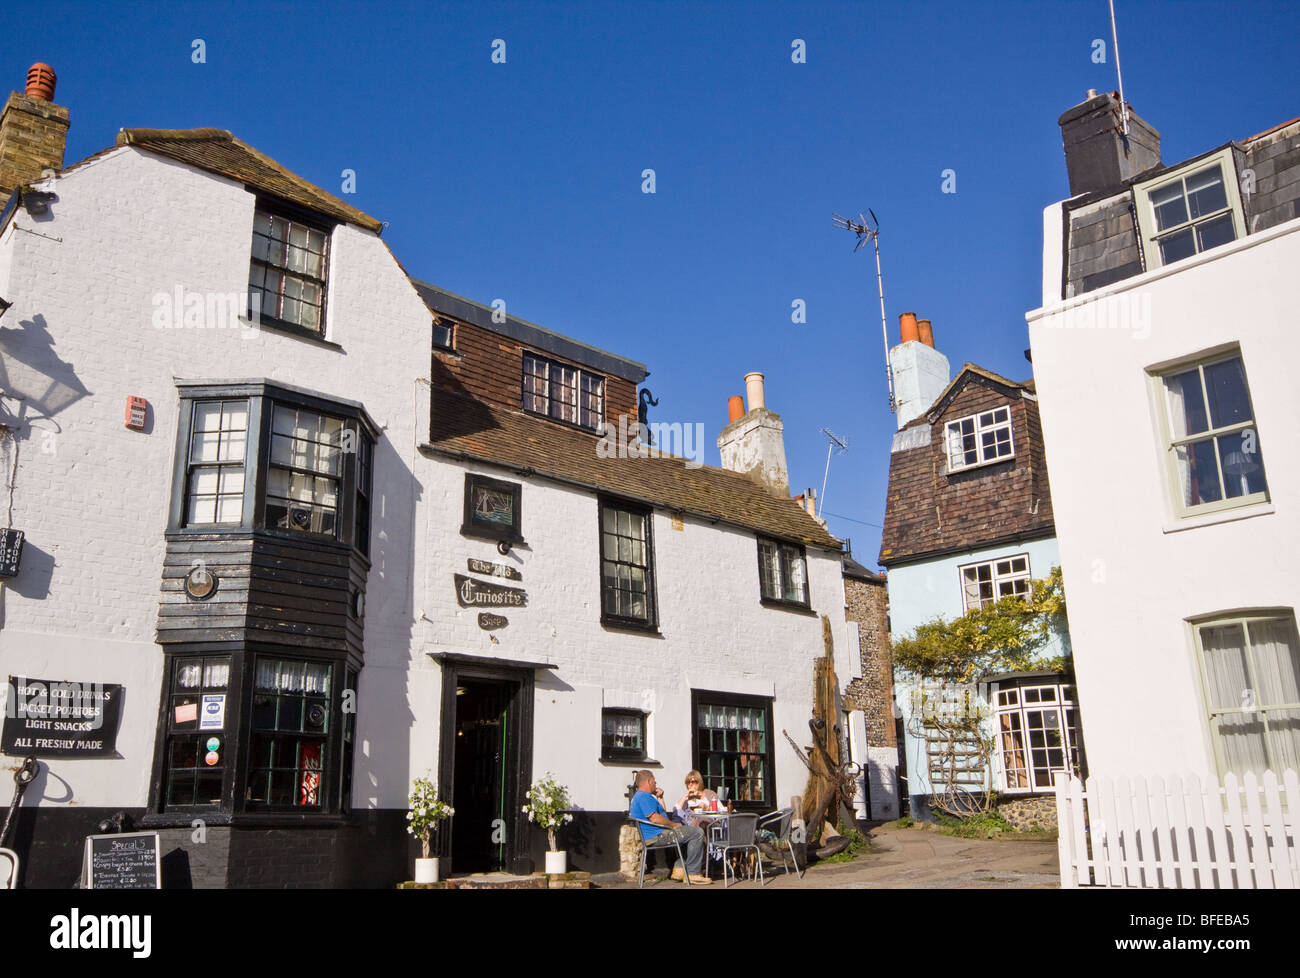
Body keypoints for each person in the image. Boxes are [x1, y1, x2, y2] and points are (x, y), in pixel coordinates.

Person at [629, 770, 711, 884]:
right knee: (697, 832)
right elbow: (655, 818)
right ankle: (693, 873)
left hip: (659, 833)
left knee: (688, 831)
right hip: (659, 836)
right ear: (648, 781)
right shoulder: (643, 796)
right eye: (654, 782)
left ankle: (679, 868)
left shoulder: (644, 796)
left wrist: (660, 797)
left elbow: (661, 812)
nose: (656, 784)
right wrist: (674, 825)